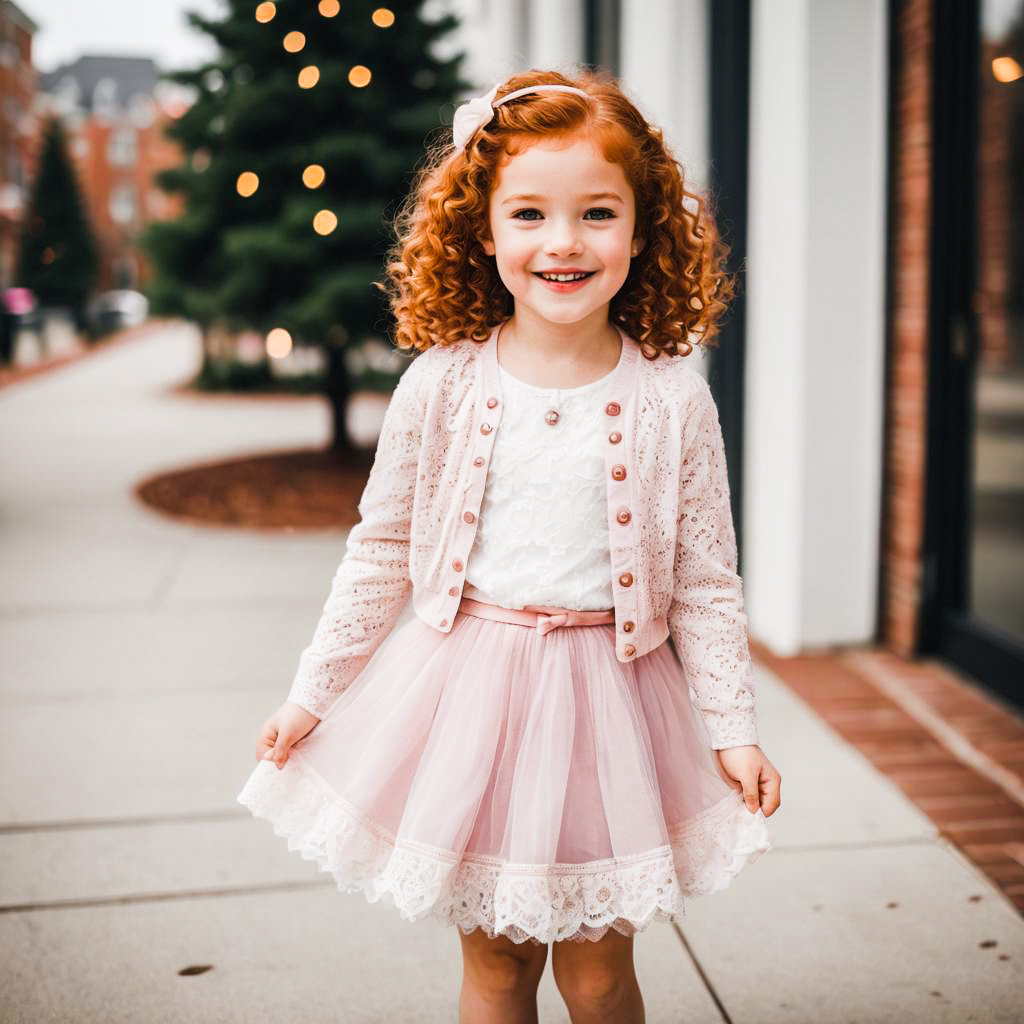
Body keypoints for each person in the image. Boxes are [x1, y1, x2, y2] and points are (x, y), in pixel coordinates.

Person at [238, 67, 782, 1023]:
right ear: (482, 233)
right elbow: (380, 550)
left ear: (644, 229)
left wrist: (731, 725)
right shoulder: (443, 385)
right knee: (495, 967)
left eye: (597, 214)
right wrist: (312, 692)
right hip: (468, 704)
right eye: (528, 214)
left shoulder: (672, 398)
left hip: (613, 706)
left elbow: (704, 579)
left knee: (600, 972)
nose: (562, 243)